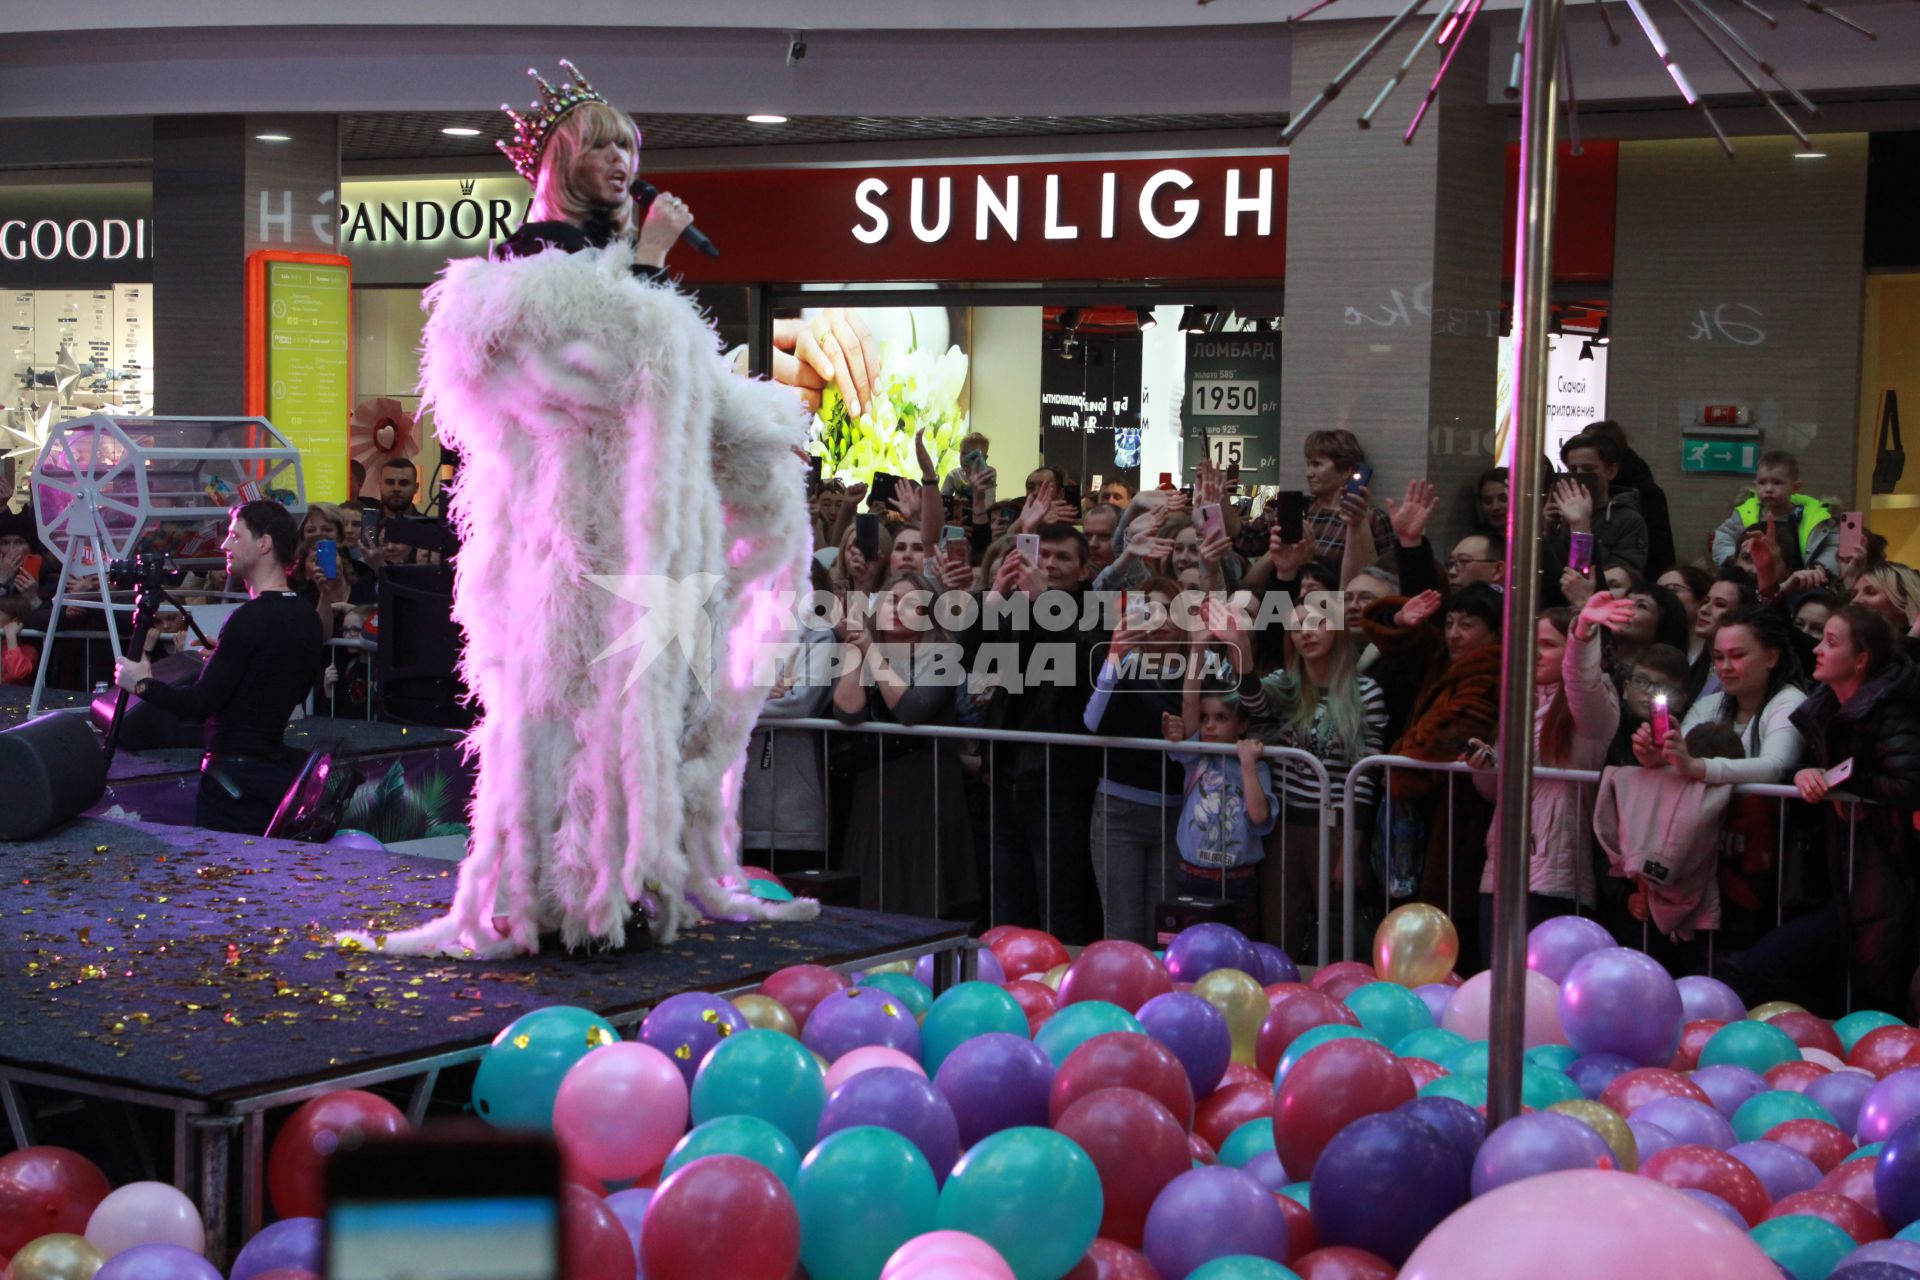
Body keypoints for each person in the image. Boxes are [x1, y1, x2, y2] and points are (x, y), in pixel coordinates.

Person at [348, 61, 817, 957]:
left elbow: (678, 384)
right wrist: (646, 265)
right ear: (561, 158)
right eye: (601, 144)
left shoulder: (613, 274)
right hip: (570, 533)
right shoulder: (524, 272)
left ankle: (641, 881)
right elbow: (601, 363)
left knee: (651, 698)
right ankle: (567, 893)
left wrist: (759, 438)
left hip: (654, 535)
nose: (620, 160)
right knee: (572, 700)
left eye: (629, 145)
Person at [112, 501, 323, 834]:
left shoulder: (249, 618)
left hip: (234, 784)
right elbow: (286, 685)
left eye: (235, 536)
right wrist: (232, 659)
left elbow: (199, 705)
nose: (224, 545)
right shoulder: (306, 615)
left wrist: (142, 684)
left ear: (264, 544)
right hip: (273, 778)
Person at [1470, 593, 1636, 963]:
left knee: (1543, 991)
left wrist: (1582, 634)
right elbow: (1497, 794)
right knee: (1493, 978)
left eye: (1547, 644)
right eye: (1530, 644)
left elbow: (1582, 681)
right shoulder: (1519, 702)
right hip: (1502, 866)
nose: (1535, 653)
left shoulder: (1595, 702)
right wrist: (1484, 770)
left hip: (1554, 878)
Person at [1788, 606, 1920, 1015]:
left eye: (1830, 642)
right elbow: (1821, 768)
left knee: (1882, 979)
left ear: (1861, 659)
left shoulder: (1891, 711)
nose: (1816, 650)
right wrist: (1806, 773)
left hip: (1895, 862)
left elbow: (1911, 784)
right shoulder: (1825, 705)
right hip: (1851, 864)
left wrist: (1846, 784)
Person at [832, 572, 977, 919]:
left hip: (925, 797)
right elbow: (846, 711)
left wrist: (871, 651)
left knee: (924, 906)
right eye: (891, 601)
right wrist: (855, 647)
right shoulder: (867, 651)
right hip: (874, 801)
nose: (898, 609)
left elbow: (912, 708)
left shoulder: (943, 654)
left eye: (912, 603)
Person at [1083, 577, 1187, 944]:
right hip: (1119, 814)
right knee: (1123, 932)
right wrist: (1115, 654)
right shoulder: (1122, 663)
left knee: (1164, 935)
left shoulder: (1196, 670)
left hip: (1174, 815)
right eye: (1149, 612)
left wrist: (1183, 738)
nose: (1157, 622)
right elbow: (1093, 722)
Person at [1161, 690, 1277, 942]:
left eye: (1221, 718)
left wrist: (1247, 763)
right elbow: (1189, 697)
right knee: (1190, 949)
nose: (1210, 725)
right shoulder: (1196, 758)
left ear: (1242, 724)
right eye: (1204, 718)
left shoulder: (1257, 767)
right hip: (1192, 877)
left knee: (1237, 951)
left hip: (1238, 881)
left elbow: (1258, 816)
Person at [1710, 450, 1840, 582]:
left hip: (1800, 582)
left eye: (1777, 483)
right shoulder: (1746, 513)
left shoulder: (1813, 516)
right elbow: (1723, 538)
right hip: (1749, 580)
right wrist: (1737, 559)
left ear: (1795, 487)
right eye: (1762, 482)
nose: (1768, 489)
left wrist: (1821, 568)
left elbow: (1833, 545)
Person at [1583, 420, 1675, 577]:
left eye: (1588, 468)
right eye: (1573, 468)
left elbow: (1657, 553)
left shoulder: (1642, 497)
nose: (1580, 474)